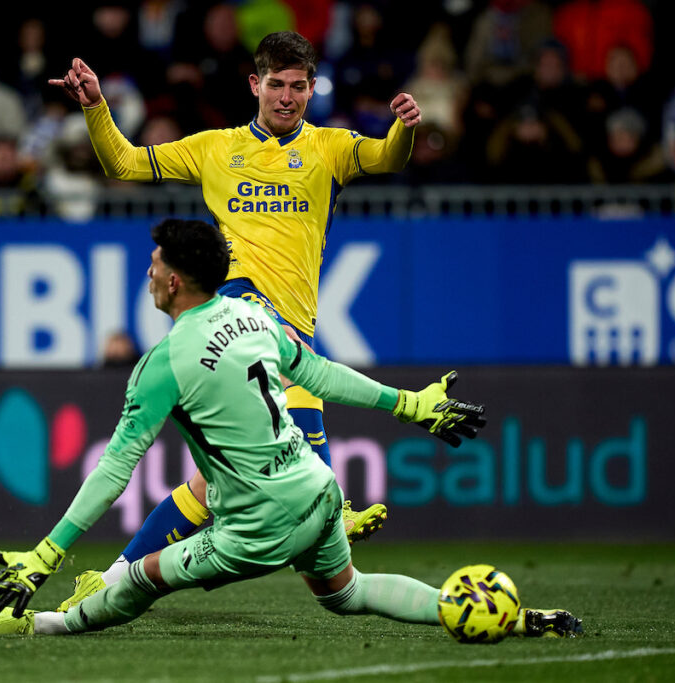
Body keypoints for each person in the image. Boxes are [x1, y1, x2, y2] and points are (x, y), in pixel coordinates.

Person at [0, 218, 582, 639]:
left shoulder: (163, 365)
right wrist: (408, 405)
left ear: (174, 280)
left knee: (143, 578)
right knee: (349, 592)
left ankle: (34, 624)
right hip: (317, 488)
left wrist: (45, 554)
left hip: (257, 525)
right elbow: (321, 373)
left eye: (154, 264)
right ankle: (509, 616)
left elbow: (115, 468)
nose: (148, 272)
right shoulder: (253, 315)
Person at [46, 30, 421, 604]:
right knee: (281, 353)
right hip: (234, 309)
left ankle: (112, 579)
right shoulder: (215, 147)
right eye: (276, 85)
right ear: (256, 84)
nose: (287, 98)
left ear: (312, 88)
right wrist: (97, 107)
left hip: (289, 325)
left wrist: (403, 129)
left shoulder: (330, 148)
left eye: (299, 87)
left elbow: (387, 158)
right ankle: (331, 500)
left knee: (207, 486)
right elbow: (122, 161)